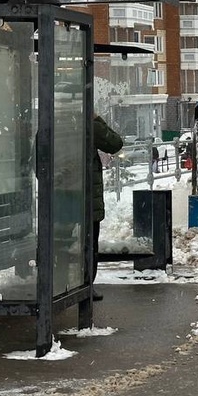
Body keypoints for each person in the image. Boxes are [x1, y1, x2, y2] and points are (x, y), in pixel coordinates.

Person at [91, 114, 123, 301]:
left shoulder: (51, 121)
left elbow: (38, 158)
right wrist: (97, 119)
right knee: (88, 244)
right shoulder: (90, 124)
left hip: (60, 197)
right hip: (87, 198)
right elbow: (115, 143)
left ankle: (60, 284)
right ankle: (86, 284)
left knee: (62, 243)